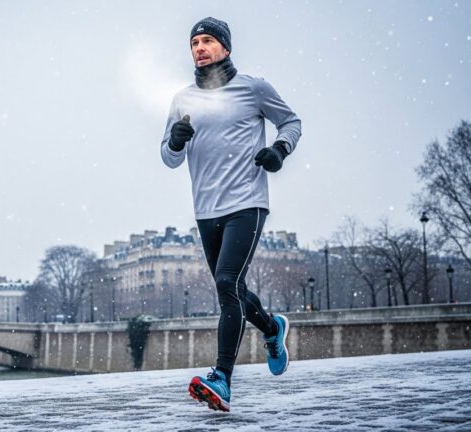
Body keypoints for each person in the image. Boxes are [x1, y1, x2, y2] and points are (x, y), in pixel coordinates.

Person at [160, 17, 302, 412]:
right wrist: (174, 141)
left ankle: (221, 377)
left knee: (225, 281)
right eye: (194, 43)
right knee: (234, 290)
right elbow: (168, 158)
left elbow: (291, 122)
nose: (199, 48)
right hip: (206, 209)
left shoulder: (253, 88)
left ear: (225, 47)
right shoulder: (182, 99)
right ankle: (272, 328)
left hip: (247, 202)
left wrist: (279, 151)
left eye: (207, 41)